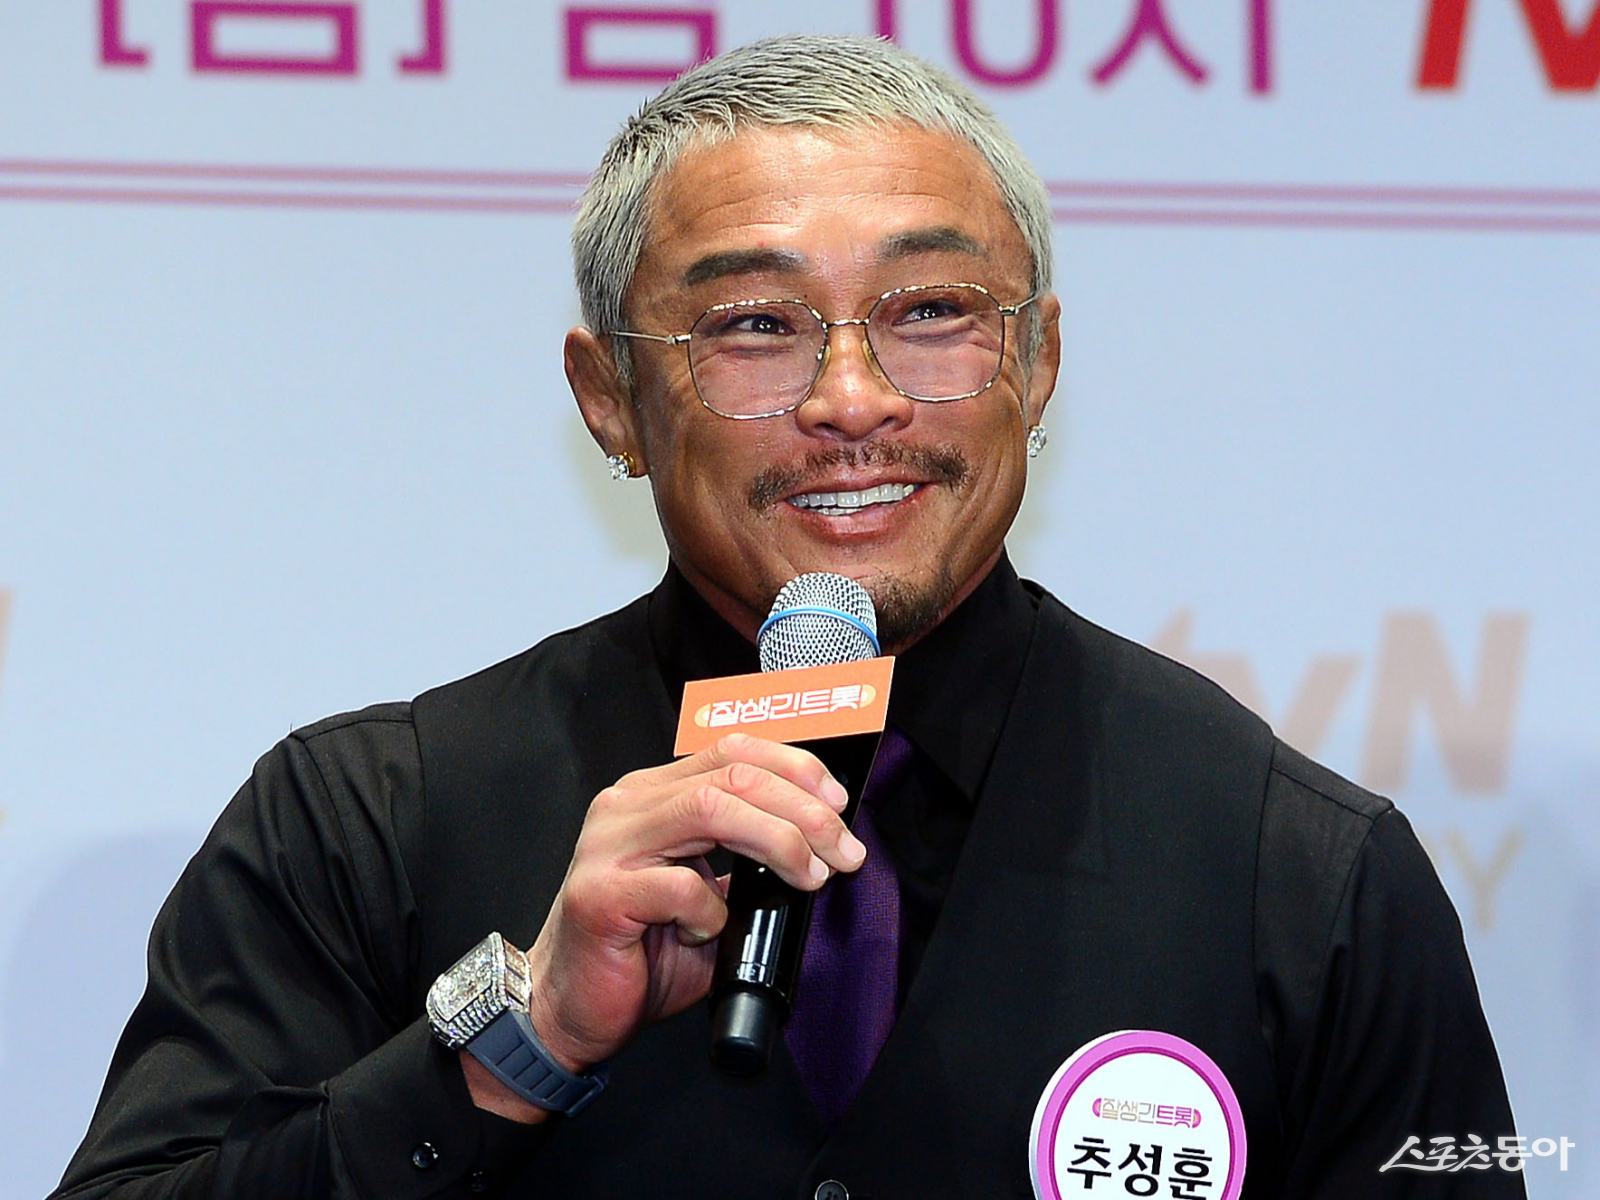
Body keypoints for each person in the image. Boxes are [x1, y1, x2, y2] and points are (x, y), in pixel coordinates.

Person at [53, 35, 1521, 1200]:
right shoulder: (364, 822)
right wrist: (514, 1047)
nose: (853, 401)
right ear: (610, 399)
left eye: (932, 312)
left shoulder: (1299, 870)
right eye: (754, 327)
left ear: (1039, 365)